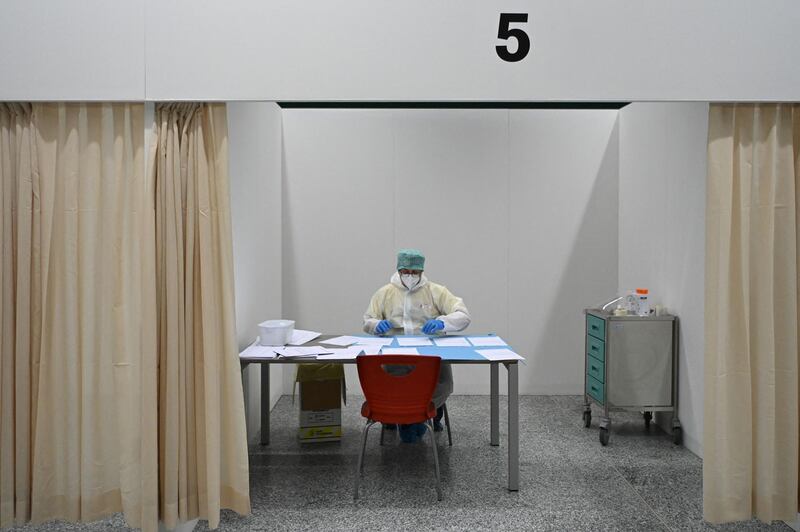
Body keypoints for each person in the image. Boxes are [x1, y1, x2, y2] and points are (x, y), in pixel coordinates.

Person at [363, 248, 471, 442]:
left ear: (422, 271)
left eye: (415, 272)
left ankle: (421, 415)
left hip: (430, 354)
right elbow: (368, 320)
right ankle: (399, 415)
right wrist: (377, 325)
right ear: (399, 270)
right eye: (406, 271)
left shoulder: (436, 291)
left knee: (441, 384)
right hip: (395, 355)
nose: (410, 276)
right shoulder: (385, 293)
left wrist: (443, 322)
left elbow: (463, 315)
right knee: (397, 383)